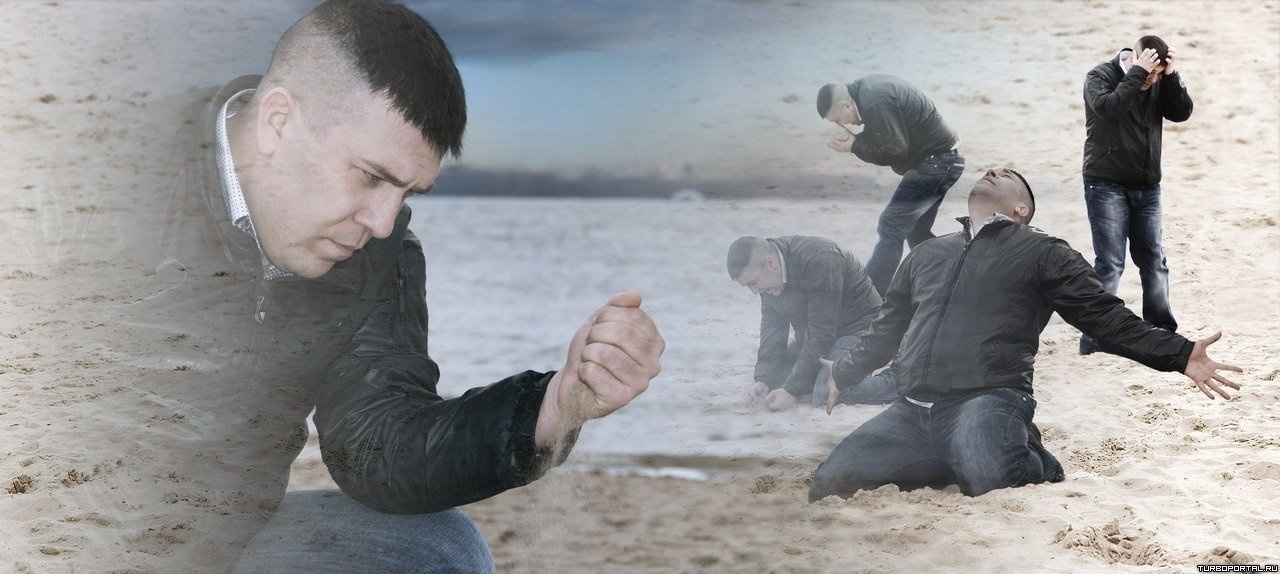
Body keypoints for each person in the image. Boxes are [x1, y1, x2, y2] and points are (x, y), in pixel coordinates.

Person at [78, 1, 665, 571]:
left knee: (434, 545)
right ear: (277, 121)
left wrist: (552, 406)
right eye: (371, 178)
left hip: (225, 538)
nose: (383, 223)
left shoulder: (375, 253)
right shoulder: (76, 175)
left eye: (406, 193)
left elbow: (380, 446)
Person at [807, 168, 1241, 501]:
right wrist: (844, 373)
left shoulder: (1042, 252)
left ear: (1022, 210)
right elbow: (887, 326)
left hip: (986, 397)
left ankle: (1023, 448)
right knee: (830, 483)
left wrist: (1181, 353)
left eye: (1010, 176)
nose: (995, 171)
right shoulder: (927, 253)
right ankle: (953, 454)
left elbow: (1104, 318)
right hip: (913, 408)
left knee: (996, 483)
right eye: (993, 170)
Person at [1078, 35, 1193, 355]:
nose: (1150, 82)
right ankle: (1095, 337)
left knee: (1154, 259)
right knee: (1110, 263)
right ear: (1133, 59)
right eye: (1149, 74)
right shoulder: (1099, 76)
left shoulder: (1157, 79)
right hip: (1106, 184)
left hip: (1148, 187)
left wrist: (1170, 77)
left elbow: (1181, 112)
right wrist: (1137, 75)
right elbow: (1109, 109)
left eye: (1156, 76)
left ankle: (1161, 327)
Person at [816, 75, 966, 297]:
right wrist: (858, 144)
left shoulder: (874, 101)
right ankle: (960, 279)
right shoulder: (867, 92)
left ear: (847, 105)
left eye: (839, 118)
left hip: (938, 162)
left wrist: (856, 146)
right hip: (941, 160)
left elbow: (896, 150)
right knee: (916, 231)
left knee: (891, 225)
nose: (842, 124)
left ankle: (867, 300)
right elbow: (891, 140)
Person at [726, 235, 898, 410]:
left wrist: (792, 390)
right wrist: (764, 379)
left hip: (863, 330)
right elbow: (772, 329)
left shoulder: (821, 259)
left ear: (772, 263)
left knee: (826, 393)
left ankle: (901, 379)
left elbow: (821, 334)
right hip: (821, 337)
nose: (755, 291)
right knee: (776, 380)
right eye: (748, 286)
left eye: (753, 283)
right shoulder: (768, 278)